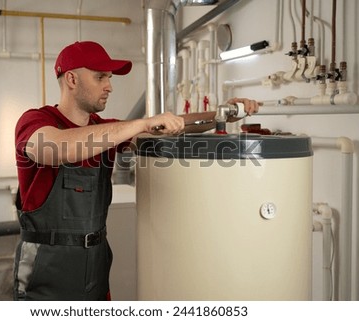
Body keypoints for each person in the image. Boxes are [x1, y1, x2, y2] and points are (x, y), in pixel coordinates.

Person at [13, 40, 259, 301]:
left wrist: (221, 115)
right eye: (100, 77)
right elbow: (56, 148)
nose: (109, 86)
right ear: (72, 79)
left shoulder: (107, 129)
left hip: (94, 263)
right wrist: (141, 123)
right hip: (47, 267)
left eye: (109, 77)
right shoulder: (36, 121)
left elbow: (170, 127)